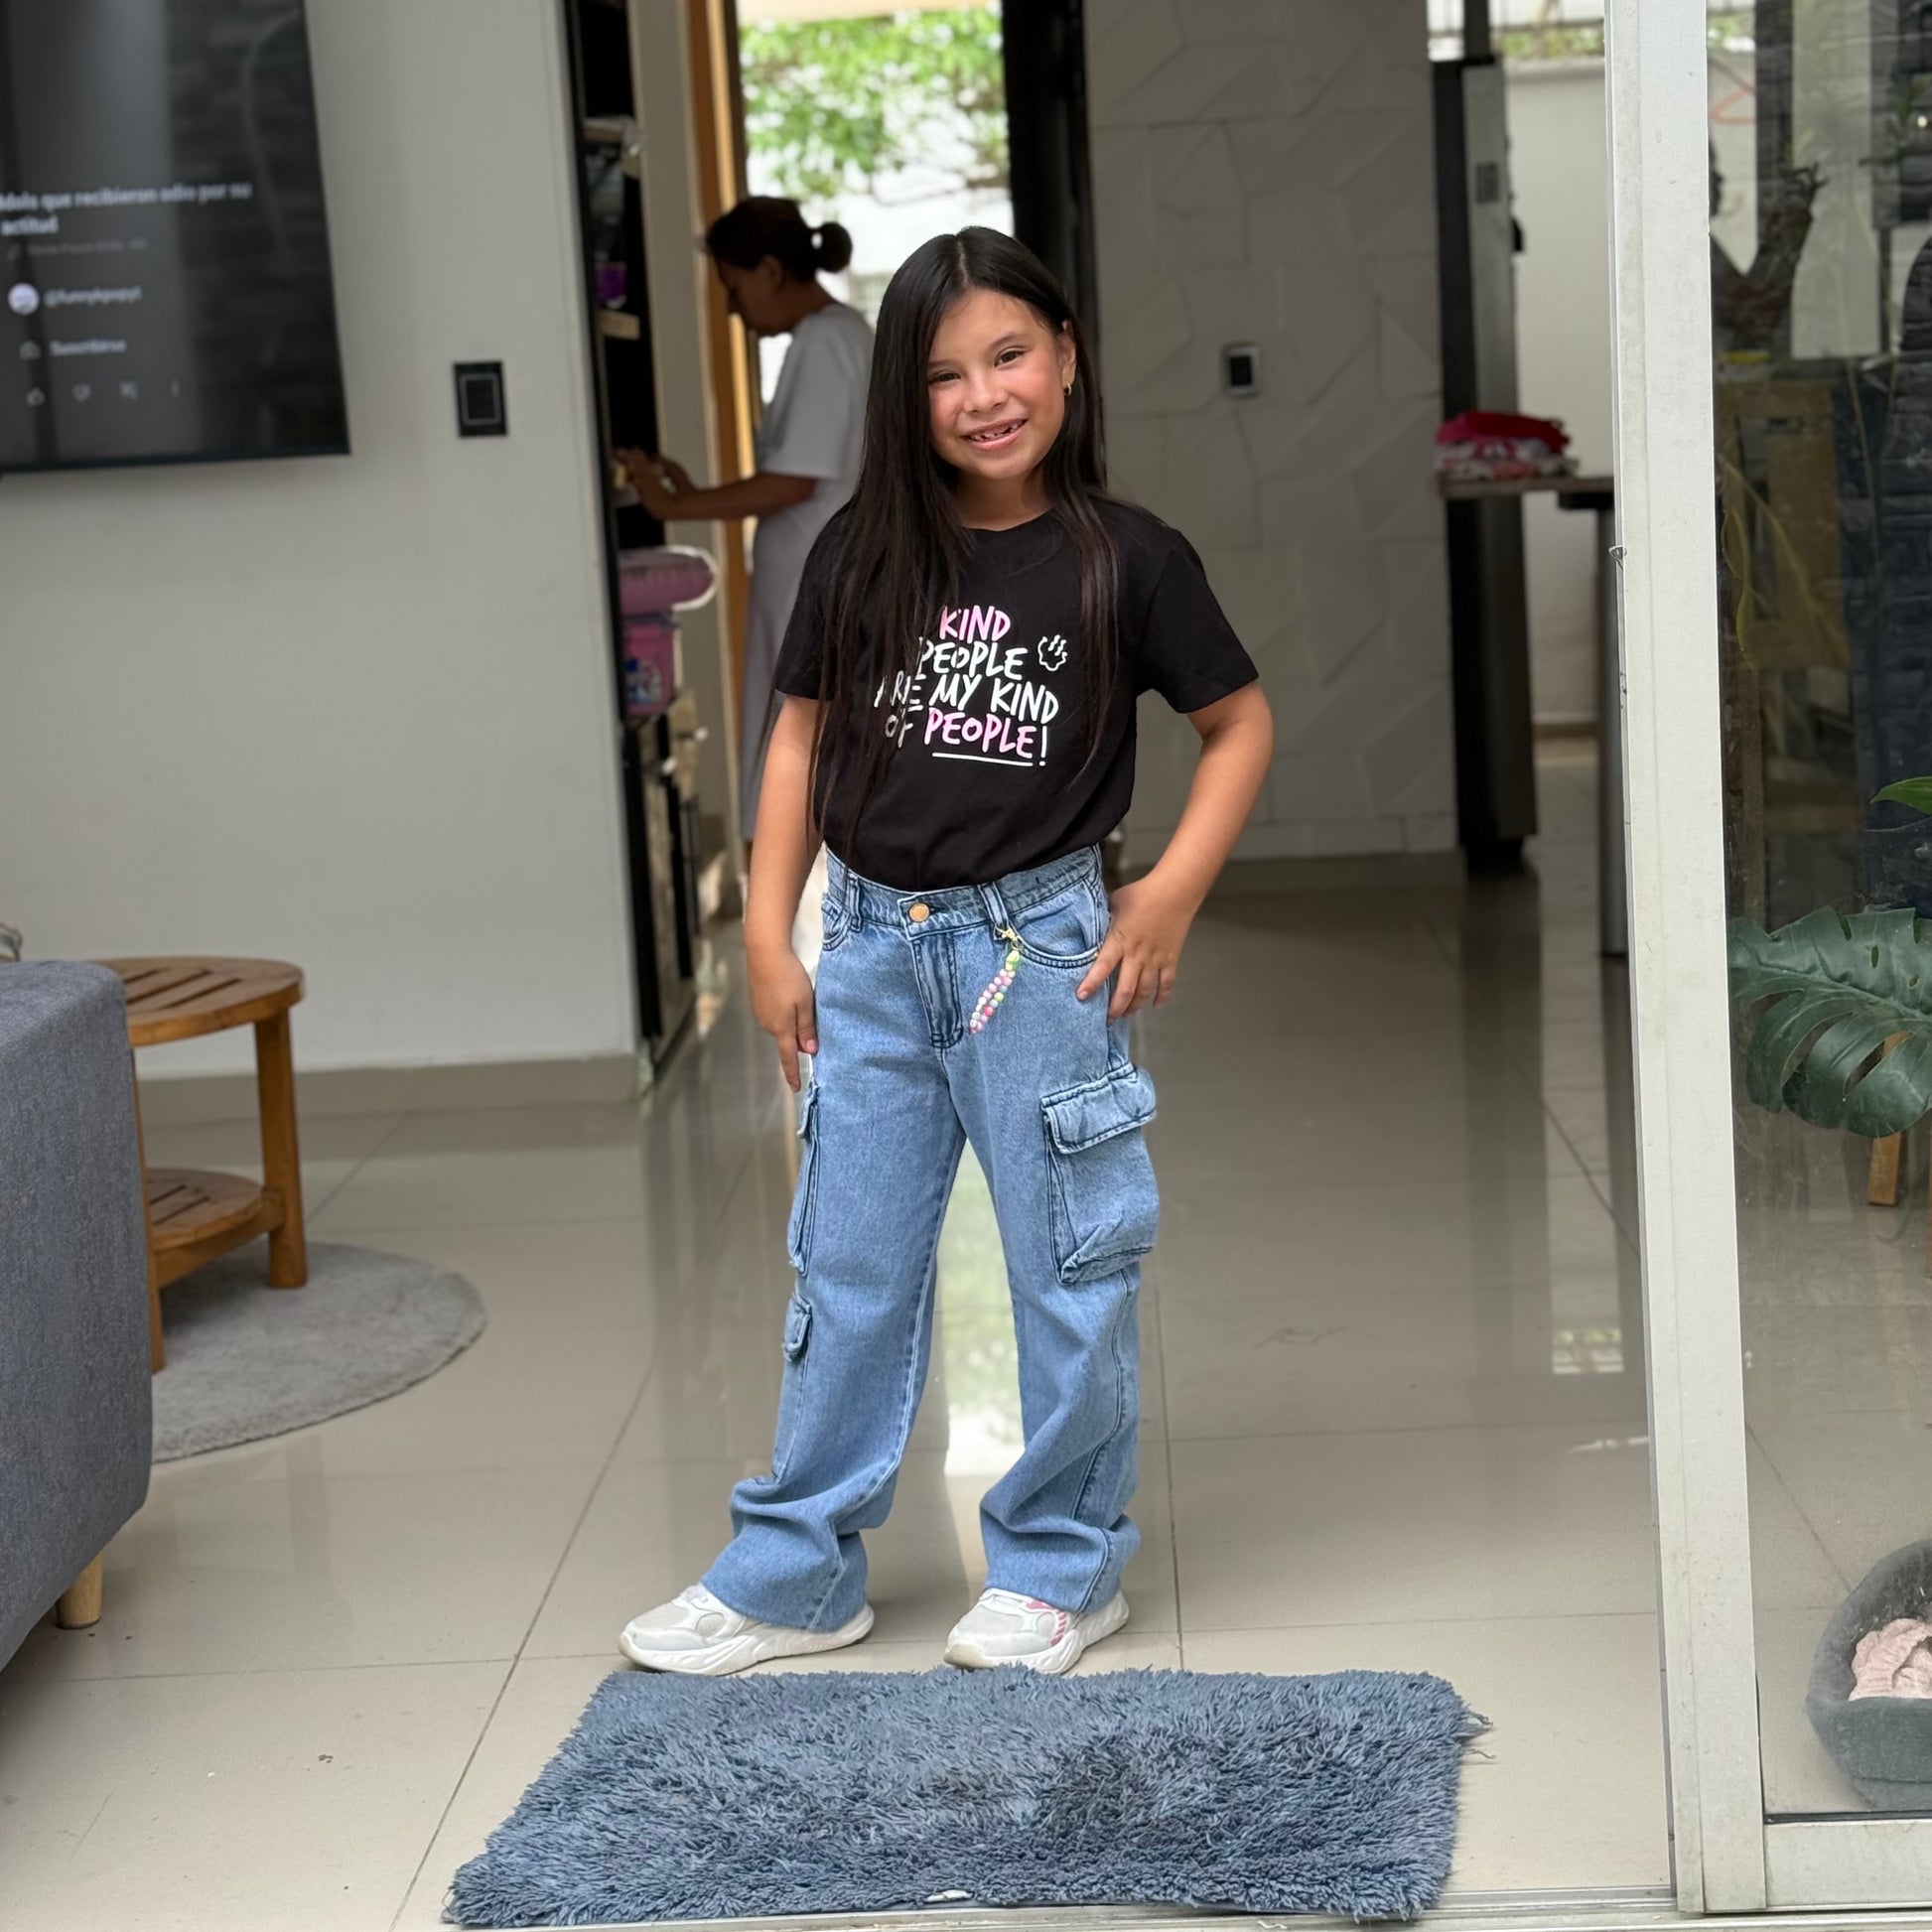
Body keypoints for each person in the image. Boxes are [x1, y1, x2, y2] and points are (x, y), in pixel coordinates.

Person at [619, 228, 1274, 1679]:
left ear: (1066, 356)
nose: (984, 395)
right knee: (844, 1264)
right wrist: (768, 931)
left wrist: (1167, 891)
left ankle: (1061, 1564)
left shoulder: (1128, 558)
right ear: (902, 401)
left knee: (1068, 1265)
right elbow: (796, 740)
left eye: (1009, 354)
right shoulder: (860, 551)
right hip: (862, 946)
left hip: (1039, 956)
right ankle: (794, 1571)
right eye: (942, 374)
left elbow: (1237, 722)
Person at [620, 197, 873, 830]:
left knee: (795, 765)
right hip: (816, 580)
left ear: (770, 270)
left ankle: (781, 890)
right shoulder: (839, 335)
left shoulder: (824, 340)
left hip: (812, 584)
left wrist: (677, 505)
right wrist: (694, 495)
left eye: (734, 287)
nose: (733, 308)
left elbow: (793, 481)